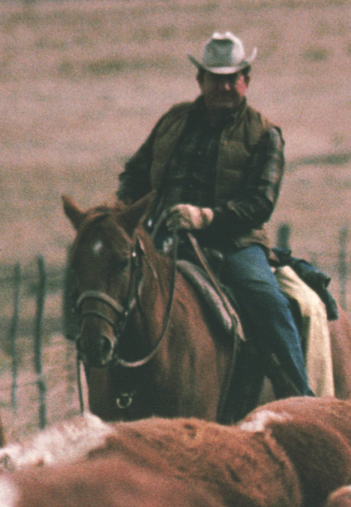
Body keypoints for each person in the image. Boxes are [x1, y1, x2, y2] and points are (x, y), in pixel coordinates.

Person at [116, 31, 315, 399]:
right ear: (200, 80)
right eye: (215, 78)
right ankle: (104, 380)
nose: (224, 86)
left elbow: (261, 202)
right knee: (108, 290)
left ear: (246, 80)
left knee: (267, 302)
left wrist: (206, 218)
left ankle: (301, 395)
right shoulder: (173, 121)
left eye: (232, 78)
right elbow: (135, 172)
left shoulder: (264, 134)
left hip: (235, 244)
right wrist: (125, 214)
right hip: (162, 236)